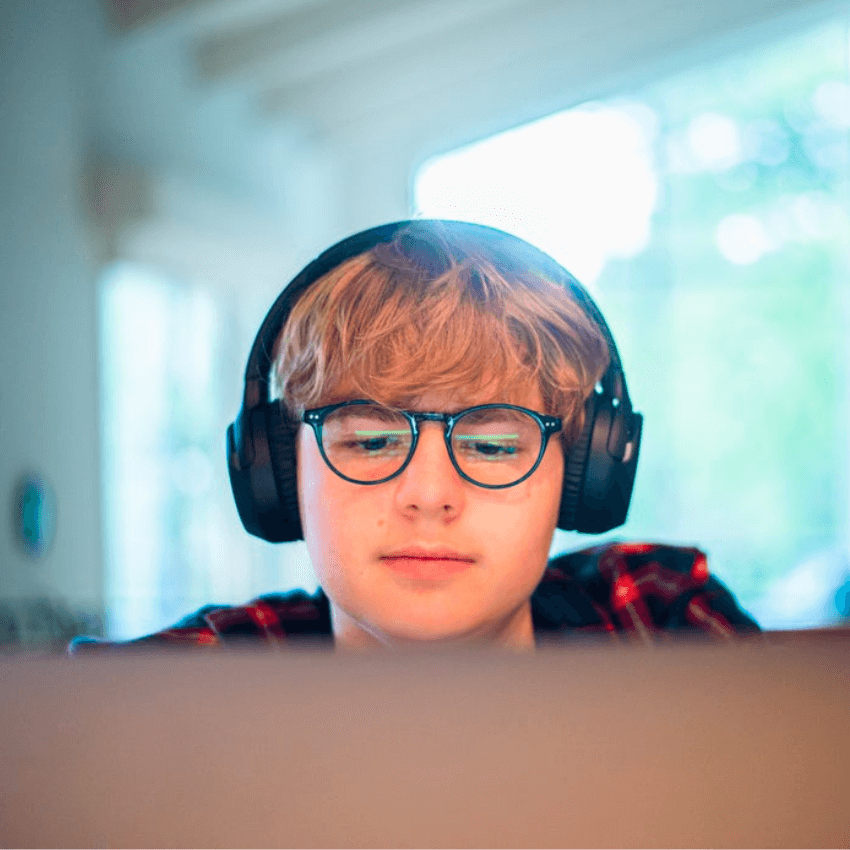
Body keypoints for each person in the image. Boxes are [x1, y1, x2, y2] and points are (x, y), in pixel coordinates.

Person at [70, 220, 758, 653]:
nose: (429, 496)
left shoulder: (658, 614)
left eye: (493, 446)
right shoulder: (170, 688)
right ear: (280, 475)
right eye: (369, 441)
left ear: (581, 478)